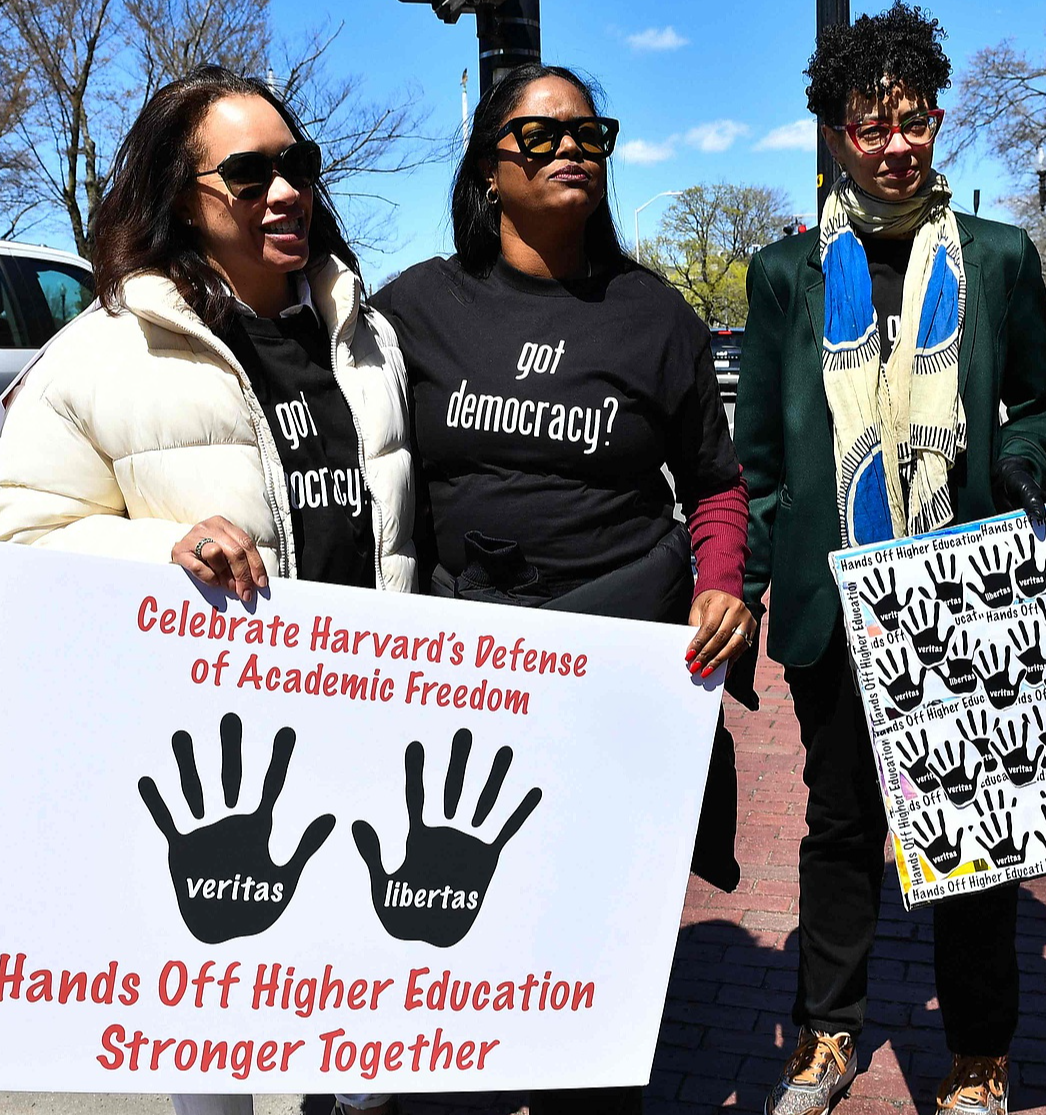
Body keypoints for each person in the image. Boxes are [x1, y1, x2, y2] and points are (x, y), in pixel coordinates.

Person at [0, 66, 414, 1115]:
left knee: (361, 1039)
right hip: (212, 762)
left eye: (298, 165)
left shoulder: (367, 339)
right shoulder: (95, 357)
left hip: (361, 734)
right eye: (249, 174)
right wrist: (161, 551)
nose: (286, 192)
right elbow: (26, 543)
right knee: (210, 1035)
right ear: (182, 198)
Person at [369, 62, 753, 1115]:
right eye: (540, 136)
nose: (572, 149)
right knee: (467, 914)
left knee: (595, 931)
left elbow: (716, 485)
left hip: (614, 663)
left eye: (590, 133)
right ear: (487, 169)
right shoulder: (412, 310)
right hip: (462, 670)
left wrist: (722, 582)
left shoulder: (655, 316)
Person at [730, 6, 1046, 1114]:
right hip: (835, 598)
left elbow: (1040, 401)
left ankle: (977, 1053)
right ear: (835, 134)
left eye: (913, 121)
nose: (894, 145)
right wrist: (759, 575)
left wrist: (1019, 456)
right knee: (841, 827)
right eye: (870, 125)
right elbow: (760, 454)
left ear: (936, 122)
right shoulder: (783, 272)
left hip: (962, 588)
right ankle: (827, 1033)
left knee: (973, 832)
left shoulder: (998, 257)